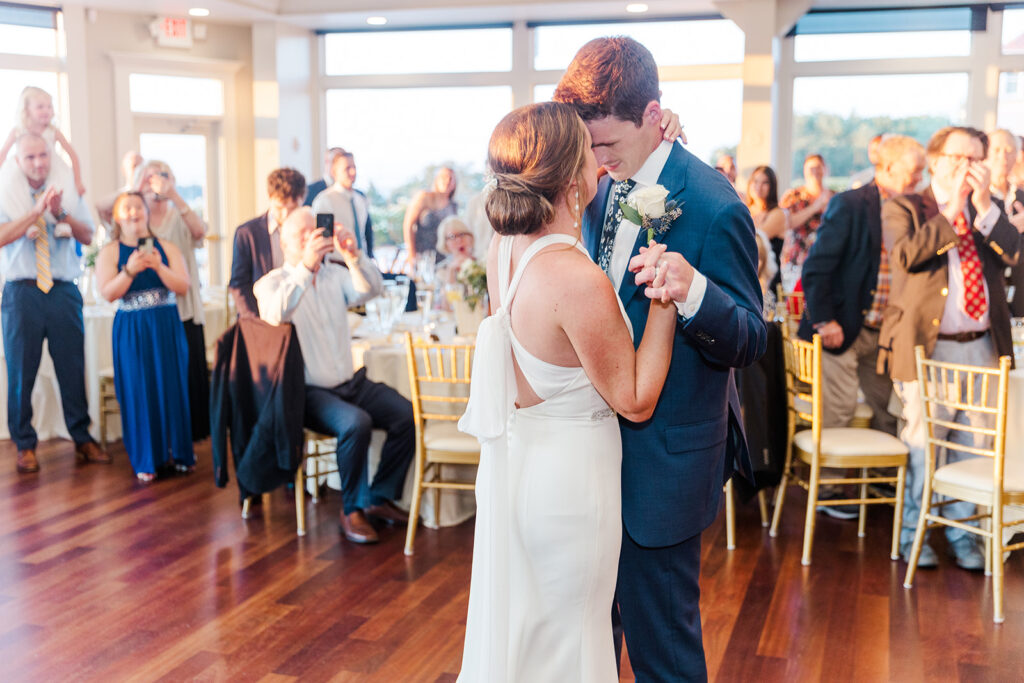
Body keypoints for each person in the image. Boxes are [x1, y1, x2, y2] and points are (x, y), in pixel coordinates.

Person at [554, 37, 766, 681]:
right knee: (593, 634)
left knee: (663, 652)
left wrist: (694, 290)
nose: (594, 161)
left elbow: (752, 338)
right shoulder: (598, 182)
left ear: (653, 115)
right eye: (587, 147)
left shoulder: (712, 202)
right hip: (593, 457)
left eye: (606, 146)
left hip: (664, 465)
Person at [456, 101, 678, 683]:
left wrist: (665, 132)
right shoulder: (575, 280)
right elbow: (634, 398)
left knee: (536, 637)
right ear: (567, 173)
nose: (600, 163)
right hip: (573, 491)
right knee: (574, 641)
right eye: (589, 152)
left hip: (525, 473)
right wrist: (665, 296)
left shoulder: (504, 250)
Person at [879, 126, 1023, 570]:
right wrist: (953, 210)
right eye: (961, 158)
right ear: (937, 160)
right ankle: (912, 537)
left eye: (977, 160)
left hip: (982, 347)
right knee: (926, 445)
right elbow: (905, 258)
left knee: (973, 446)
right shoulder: (907, 206)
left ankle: (964, 538)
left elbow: (1013, 254)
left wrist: (981, 209)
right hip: (927, 350)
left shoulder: (991, 209)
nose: (970, 167)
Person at [255, 208, 414, 544]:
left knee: (407, 415)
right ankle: (351, 508)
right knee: (355, 423)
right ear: (286, 243)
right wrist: (307, 267)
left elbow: (372, 291)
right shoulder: (271, 283)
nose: (315, 237)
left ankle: (379, 497)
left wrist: (353, 255)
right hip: (309, 393)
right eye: (304, 234)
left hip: (350, 382)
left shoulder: (334, 274)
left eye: (317, 230)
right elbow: (275, 314)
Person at [799, 135, 923, 436]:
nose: (920, 179)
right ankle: (828, 485)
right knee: (838, 414)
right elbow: (816, 267)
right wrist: (825, 320)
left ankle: (879, 484)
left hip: (886, 335)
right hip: (842, 327)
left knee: (888, 414)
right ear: (890, 167)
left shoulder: (916, 210)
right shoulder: (850, 204)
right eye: (915, 171)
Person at [0, 132, 108, 473]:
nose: (37, 163)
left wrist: (61, 213)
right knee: (21, 373)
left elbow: (89, 235)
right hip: (21, 292)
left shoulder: (67, 190)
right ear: (18, 161)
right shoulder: (6, 194)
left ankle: (82, 437)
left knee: (73, 368)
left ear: (51, 156)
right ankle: (24, 444)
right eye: (30, 157)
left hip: (62, 289)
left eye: (42, 156)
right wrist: (34, 213)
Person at [95, 192, 193, 482]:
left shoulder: (167, 247)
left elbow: (183, 286)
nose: (133, 212)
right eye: (126, 208)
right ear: (116, 216)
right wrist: (130, 269)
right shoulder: (110, 251)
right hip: (132, 326)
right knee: (139, 388)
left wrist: (158, 265)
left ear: (147, 212)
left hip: (165, 323)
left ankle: (179, 454)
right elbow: (108, 293)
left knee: (171, 385)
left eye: (138, 206)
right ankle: (146, 458)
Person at [136, 160, 210, 441]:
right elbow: (104, 209)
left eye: (163, 175)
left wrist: (173, 194)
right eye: (150, 176)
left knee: (188, 370)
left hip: (183, 305)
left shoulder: (180, 214)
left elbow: (200, 231)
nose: (157, 181)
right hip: (150, 309)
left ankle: (191, 433)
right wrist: (135, 190)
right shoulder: (135, 219)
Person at [229, 167, 306, 318]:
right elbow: (239, 285)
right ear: (270, 198)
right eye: (279, 208)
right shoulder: (247, 233)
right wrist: (256, 322)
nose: (285, 215)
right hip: (260, 319)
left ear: (302, 200)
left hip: (301, 317)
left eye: (292, 209)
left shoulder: (309, 232)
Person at [0, 86, 84, 198]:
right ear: (27, 109)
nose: (46, 110)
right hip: (25, 174)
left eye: (49, 106)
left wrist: (77, 182)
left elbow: (73, 155)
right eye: (40, 107)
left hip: (52, 173)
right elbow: (3, 154)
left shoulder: (53, 132)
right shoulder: (18, 131)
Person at [986, 129, 1024, 316]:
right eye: (997, 150)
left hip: (1019, 297)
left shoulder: (1022, 197)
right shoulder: (977, 198)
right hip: (987, 295)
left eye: (1009, 150)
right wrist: (1010, 228)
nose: (1003, 157)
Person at [311, 150, 374, 257]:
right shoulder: (325, 200)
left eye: (354, 167)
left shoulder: (360, 199)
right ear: (334, 172)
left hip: (361, 263)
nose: (353, 172)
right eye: (347, 168)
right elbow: (322, 239)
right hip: (337, 266)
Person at [780, 153, 834, 277]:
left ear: (825, 169)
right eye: (811, 168)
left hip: (827, 257)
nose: (815, 171)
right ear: (804, 170)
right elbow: (786, 223)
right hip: (798, 258)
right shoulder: (793, 196)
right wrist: (815, 206)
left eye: (818, 167)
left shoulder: (835, 197)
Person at [403, 166, 457, 265]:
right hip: (422, 255)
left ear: (455, 184)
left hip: (444, 257)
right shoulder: (424, 197)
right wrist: (411, 253)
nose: (447, 181)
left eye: (451, 178)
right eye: (444, 177)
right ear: (437, 180)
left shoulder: (453, 206)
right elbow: (408, 225)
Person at [746, 165, 786, 291]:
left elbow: (756, 240)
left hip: (768, 283)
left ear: (772, 187)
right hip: (747, 278)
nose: (759, 186)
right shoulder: (745, 209)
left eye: (765, 183)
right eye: (755, 181)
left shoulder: (777, 213)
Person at [96, 151, 144, 228]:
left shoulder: (150, 196)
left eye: (141, 167)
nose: (138, 171)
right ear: (124, 170)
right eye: (134, 166)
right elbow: (99, 206)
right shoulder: (120, 196)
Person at [434, 215, 475, 285]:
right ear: (445, 243)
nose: (459, 240)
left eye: (462, 234)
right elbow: (444, 295)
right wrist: (451, 270)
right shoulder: (441, 270)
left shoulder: (482, 264)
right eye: (452, 236)